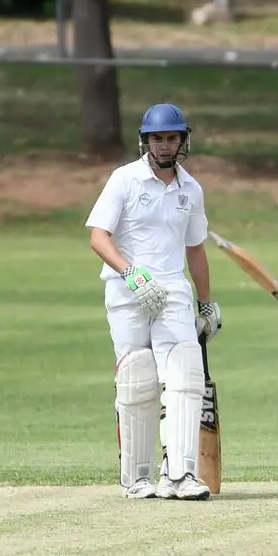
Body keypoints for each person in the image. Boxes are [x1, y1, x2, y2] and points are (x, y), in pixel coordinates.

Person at [86, 103, 221, 501]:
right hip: (127, 292)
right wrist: (130, 273)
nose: (165, 145)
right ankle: (137, 477)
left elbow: (195, 249)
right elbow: (98, 236)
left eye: (172, 137)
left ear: (183, 140)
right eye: (158, 138)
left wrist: (206, 304)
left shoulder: (191, 189)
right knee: (138, 378)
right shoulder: (124, 180)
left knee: (184, 374)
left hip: (173, 292)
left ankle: (180, 475)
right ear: (145, 141)